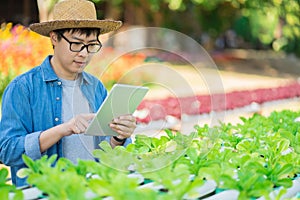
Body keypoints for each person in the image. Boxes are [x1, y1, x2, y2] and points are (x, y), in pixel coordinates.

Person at [0, 0, 137, 187]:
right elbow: (7, 151)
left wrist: (119, 137)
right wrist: (63, 130)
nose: (84, 54)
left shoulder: (95, 87)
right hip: (46, 192)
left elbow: (106, 153)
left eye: (91, 46)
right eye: (76, 44)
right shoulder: (23, 88)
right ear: (54, 38)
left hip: (92, 189)